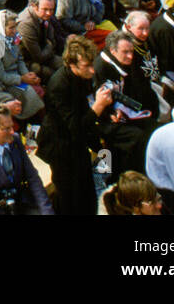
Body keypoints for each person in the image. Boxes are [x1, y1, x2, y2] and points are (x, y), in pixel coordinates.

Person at [37, 35, 113, 215]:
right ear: (72, 64)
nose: (93, 71)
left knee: (87, 192)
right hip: (60, 145)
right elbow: (75, 125)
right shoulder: (59, 85)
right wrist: (98, 107)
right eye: (87, 66)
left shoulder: (83, 76)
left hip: (77, 141)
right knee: (70, 198)